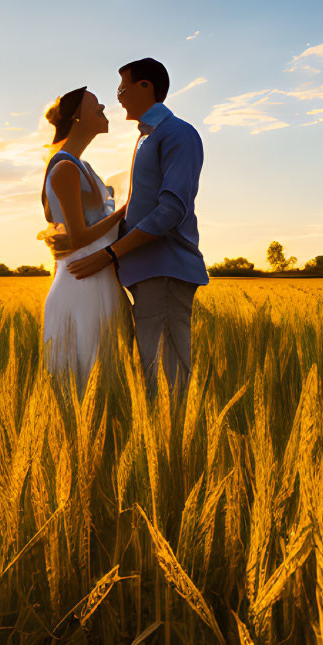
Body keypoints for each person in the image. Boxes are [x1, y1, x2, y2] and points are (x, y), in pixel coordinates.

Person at [68, 57, 206, 397]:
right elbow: (141, 206)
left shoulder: (177, 133)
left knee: (165, 378)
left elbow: (171, 209)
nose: (117, 96)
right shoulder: (148, 136)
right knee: (153, 373)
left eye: (122, 88)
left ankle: (172, 446)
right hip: (147, 270)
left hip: (165, 266)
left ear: (145, 87)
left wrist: (109, 254)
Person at [38, 87, 128, 380]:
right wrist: (125, 210)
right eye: (95, 104)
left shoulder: (84, 166)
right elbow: (77, 237)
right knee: (86, 374)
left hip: (101, 276)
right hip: (81, 284)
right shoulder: (64, 167)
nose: (103, 106)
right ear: (77, 117)